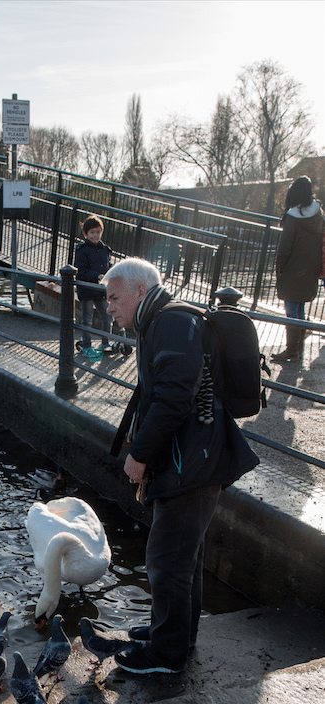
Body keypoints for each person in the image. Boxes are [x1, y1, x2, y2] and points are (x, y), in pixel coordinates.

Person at [103, 258, 259, 675]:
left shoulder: (170, 323)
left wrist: (139, 456)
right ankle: (173, 634)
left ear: (140, 291)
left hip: (191, 461)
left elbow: (174, 398)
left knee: (168, 557)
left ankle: (166, 655)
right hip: (196, 457)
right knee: (184, 556)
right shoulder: (165, 321)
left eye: (114, 297)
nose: (108, 307)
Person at [271, 175, 325, 363]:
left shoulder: (293, 217)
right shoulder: (319, 214)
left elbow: (285, 247)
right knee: (300, 308)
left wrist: (279, 267)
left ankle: (291, 350)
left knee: (291, 310)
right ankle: (298, 348)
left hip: (294, 269)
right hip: (311, 268)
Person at [74, 215, 114, 356]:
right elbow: (80, 271)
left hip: (101, 290)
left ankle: (105, 342)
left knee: (108, 316)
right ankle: (87, 346)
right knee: (87, 319)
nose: (95, 235)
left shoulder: (104, 249)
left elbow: (108, 265)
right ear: (86, 234)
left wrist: (114, 272)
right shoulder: (82, 250)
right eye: (92, 232)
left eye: (98, 232)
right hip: (87, 289)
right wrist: (97, 276)